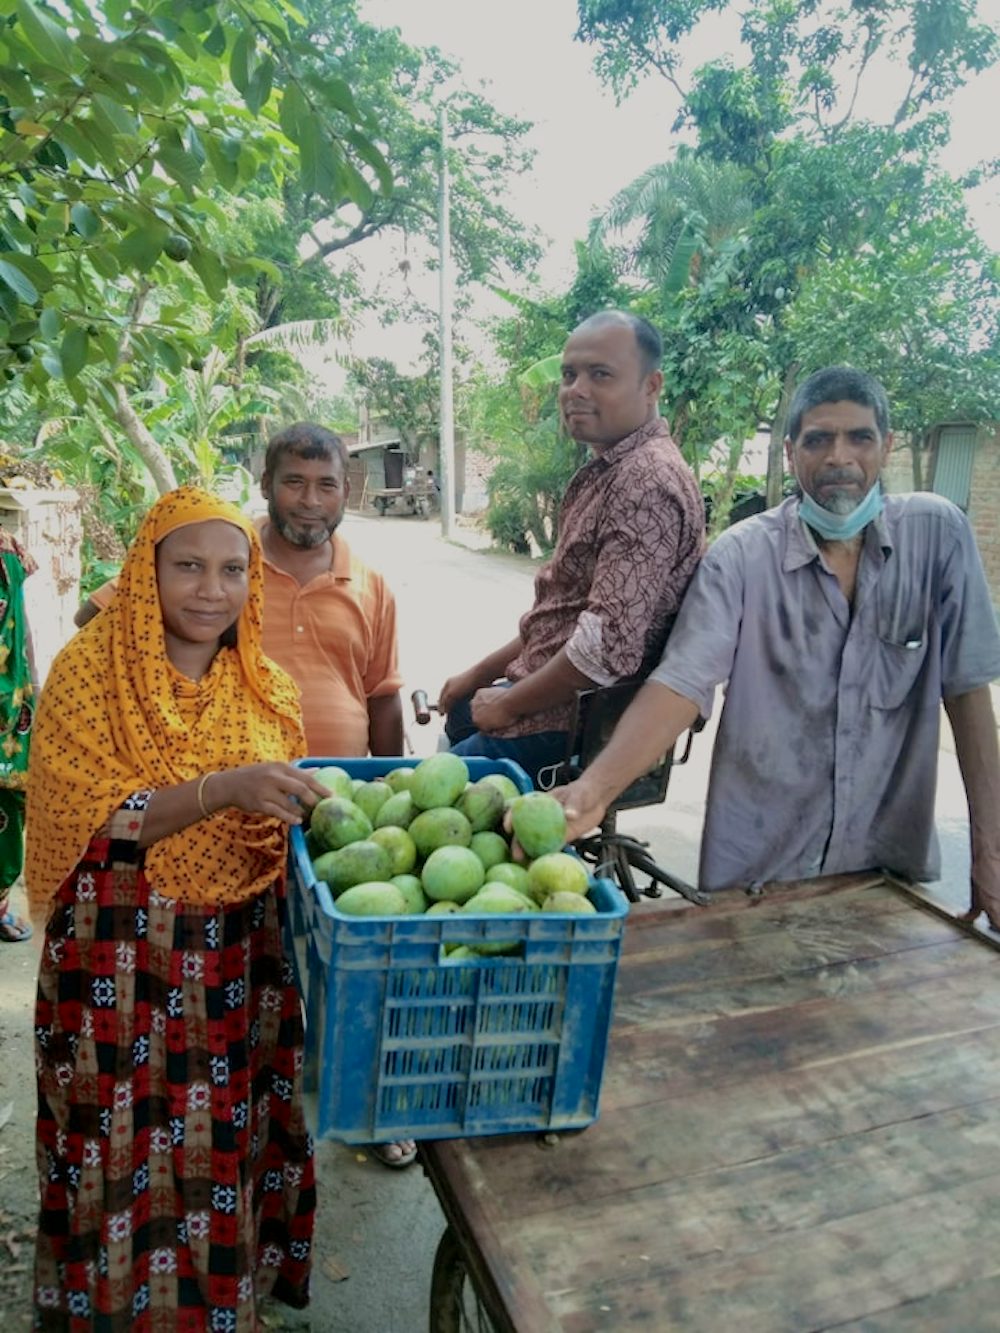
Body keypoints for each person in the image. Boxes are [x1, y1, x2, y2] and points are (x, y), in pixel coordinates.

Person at [25, 486, 331, 1328]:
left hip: (235, 960)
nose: (210, 589)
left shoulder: (265, 687)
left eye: (233, 569)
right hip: (116, 961)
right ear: (147, 568)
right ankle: (108, 1304)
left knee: (220, 1131)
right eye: (188, 565)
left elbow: (284, 833)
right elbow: (81, 816)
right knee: (115, 1134)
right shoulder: (88, 675)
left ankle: (219, 1303)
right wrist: (221, 789)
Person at [554, 366, 1000, 926]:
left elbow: (967, 690)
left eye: (859, 437)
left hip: (888, 874)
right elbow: (684, 681)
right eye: (818, 440)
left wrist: (991, 848)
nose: (839, 456)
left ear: (886, 446)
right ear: (790, 453)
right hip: (760, 878)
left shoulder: (938, 536)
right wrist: (593, 791)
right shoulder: (741, 557)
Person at [438, 310, 704, 785]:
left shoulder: (645, 480)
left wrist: (507, 704)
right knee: (459, 707)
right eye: (568, 374)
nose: (575, 390)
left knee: (433, 802)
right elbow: (560, 616)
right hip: (550, 697)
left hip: (576, 723)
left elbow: (603, 649)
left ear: (652, 386)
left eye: (600, 374)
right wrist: (478, 674)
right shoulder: (613, 469)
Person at [0, 527, 36, 942]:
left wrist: (37, 685)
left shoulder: (9, 548)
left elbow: (21, 623)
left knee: (7, 805)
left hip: (10, 706)